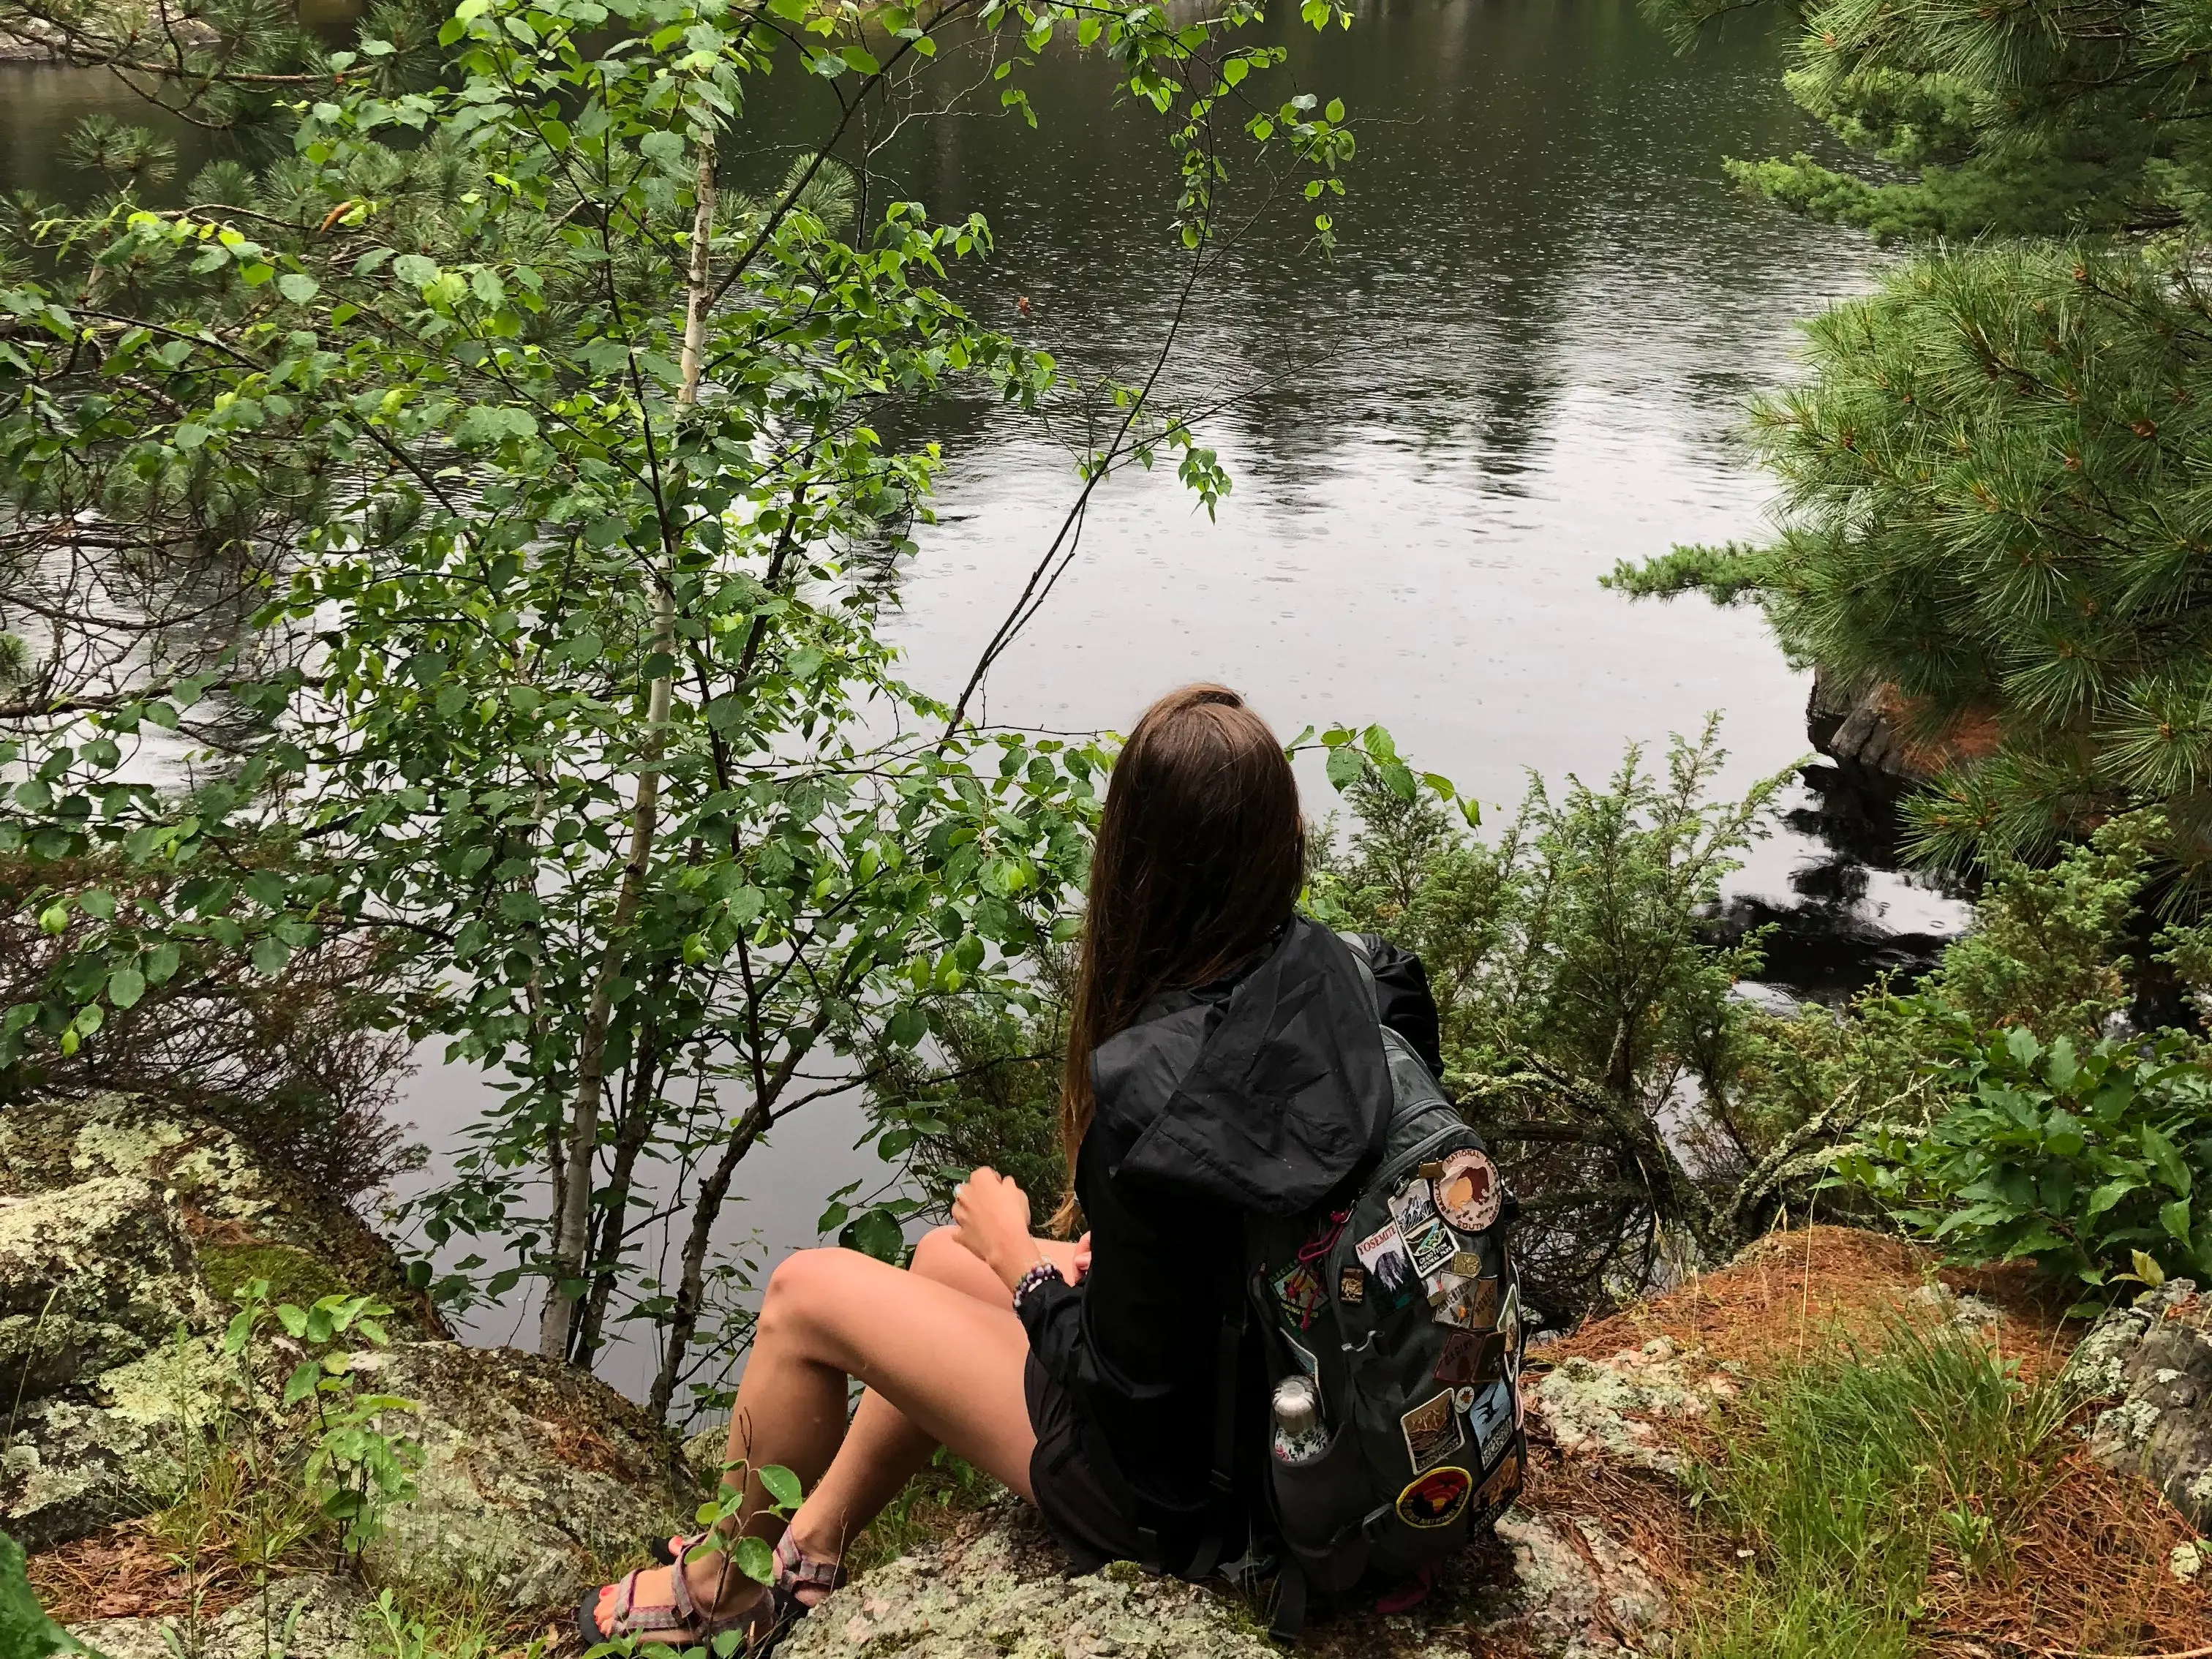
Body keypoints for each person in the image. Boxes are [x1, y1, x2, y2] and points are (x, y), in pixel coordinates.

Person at [582, 682, 1400, 1651]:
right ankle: (811, 1548)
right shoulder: (1349, 974)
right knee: (934, 1260)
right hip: (1292, 1410)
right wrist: (1126, 1266)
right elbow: (1272, 1202)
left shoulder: (1154, 1089)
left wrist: (1021, 1261)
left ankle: (718, 1594)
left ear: (1136, 855)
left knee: (803, 1297)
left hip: (1188, 1502)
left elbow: (1124, 1402)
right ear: (1281, 836)